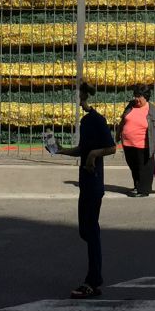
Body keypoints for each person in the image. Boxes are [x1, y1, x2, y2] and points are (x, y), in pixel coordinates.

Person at [50, 82, 115, 299]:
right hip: (86, 181)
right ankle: (93, 276)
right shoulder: (86, 122)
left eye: (80, 96)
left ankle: (93, 280)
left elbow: (111, 147)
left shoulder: (97, 120)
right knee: (85, 231)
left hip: (94, 182)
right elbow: (82, 149)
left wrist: (93, 155)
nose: (78, 101)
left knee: (91, 230)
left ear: (86, 97)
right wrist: (61, 151)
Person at [115, 85, 155, 197]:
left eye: (139, 97)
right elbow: (123, 120)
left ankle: (144, 190)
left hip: (144, 145)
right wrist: (117, 133)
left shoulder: (154, 110)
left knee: (145, 168)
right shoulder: (130, 106)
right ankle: (137, 186)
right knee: (133, 166)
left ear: (146, 97)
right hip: (128, 144)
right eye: (135, 96)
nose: (136, 99)